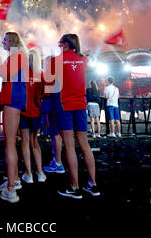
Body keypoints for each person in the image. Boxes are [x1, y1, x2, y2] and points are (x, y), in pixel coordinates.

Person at [48, 33, 99, 199]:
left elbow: (49, 84)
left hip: (64, 105)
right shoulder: (84, 60)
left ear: (64, 44)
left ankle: (75, 187)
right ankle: (93, 185)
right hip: (80, 104)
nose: (58, 45)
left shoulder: (56, 61)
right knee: (85, 144)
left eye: (59, 43)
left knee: (69, 146)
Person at [0, 32, 28, 203]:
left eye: (5, 39)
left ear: (12, 41)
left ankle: (11, 190)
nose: (3, 41)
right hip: (15, 98)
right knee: (11, 142)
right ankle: (14, 180)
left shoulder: (17, 55)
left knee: (9, 143)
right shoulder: (18, 56)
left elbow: (5, 75)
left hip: (13, 99)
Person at [20, 49, 47, 184]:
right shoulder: (42, 74)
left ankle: (29, 174)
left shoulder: (22, 74)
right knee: (34, 142)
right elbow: (44, 94)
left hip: (24, 112)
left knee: (25, 142)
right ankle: (40, 173)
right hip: (36, 112)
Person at [41, 57, 65, 174]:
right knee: (57, 136)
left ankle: (58, 163)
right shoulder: (59, 75)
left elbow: (44, 91)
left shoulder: (49, 76)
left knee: (55, 135)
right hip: (58, 106)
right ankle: (56, 160)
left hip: (51, 106)